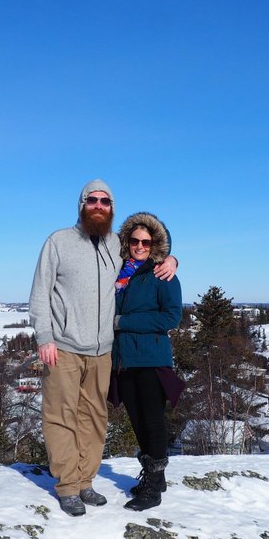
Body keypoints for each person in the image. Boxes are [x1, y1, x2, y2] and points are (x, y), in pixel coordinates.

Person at [29, 179, 177, 516]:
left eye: (105, 201)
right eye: (92, 200)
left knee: (94, 418)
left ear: (112, 208)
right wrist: (44, 337)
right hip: (63, 347)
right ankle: (67, 486)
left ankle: (85, 481)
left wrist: (173, 259)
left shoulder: (117, 245)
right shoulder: (58, 242)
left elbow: (148, 251)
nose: (99, 205)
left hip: (102, 352)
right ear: (82, 204)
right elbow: (39, 294)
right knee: (60, 416)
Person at [113, 212, 182, 511]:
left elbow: (171, 317)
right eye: (134, 241)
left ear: (154, 244)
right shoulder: (118, 274)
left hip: (151, 358)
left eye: (146, 241)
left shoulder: (162, 273)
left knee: (152, 422)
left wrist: (123, 321)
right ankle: (157, 476)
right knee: (137, 420)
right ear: (126, 242)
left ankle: (153, 489)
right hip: (125, 359)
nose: (139, 246)